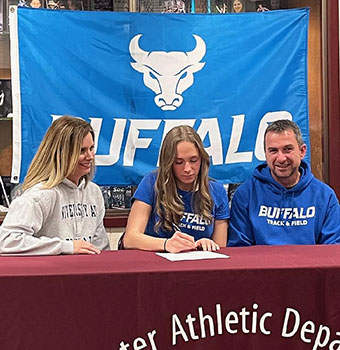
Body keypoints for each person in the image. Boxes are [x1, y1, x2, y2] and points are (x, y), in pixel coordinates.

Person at [0, 116, 110, 255]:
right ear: (60, 154)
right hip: (49, 274)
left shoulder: (93, 192)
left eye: (91, 148)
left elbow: (100, 247)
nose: (90, 156)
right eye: (82, 150)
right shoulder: (40, 195)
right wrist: (65, 247)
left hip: (84, 273)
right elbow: (6, 240)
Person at [228, 119, 340, 246]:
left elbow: (332, 250)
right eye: (273, 151)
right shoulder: (246, 194)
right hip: (261, 265)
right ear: (265, 153)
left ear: (302, 151)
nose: (281, 158)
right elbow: (240, 249)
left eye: (287, 149)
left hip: (310, 265)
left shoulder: (325, 196)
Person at [123, 125, 229, 253]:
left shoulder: (217, 191)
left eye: (194, 160)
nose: (187, 169)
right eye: (179, 162)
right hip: (159, 265)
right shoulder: (151, 183)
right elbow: (130, 239)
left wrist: (207, 244)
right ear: (168, 163)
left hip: (199, 266)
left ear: (202, 159)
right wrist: (166, 244)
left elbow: (221, 248)